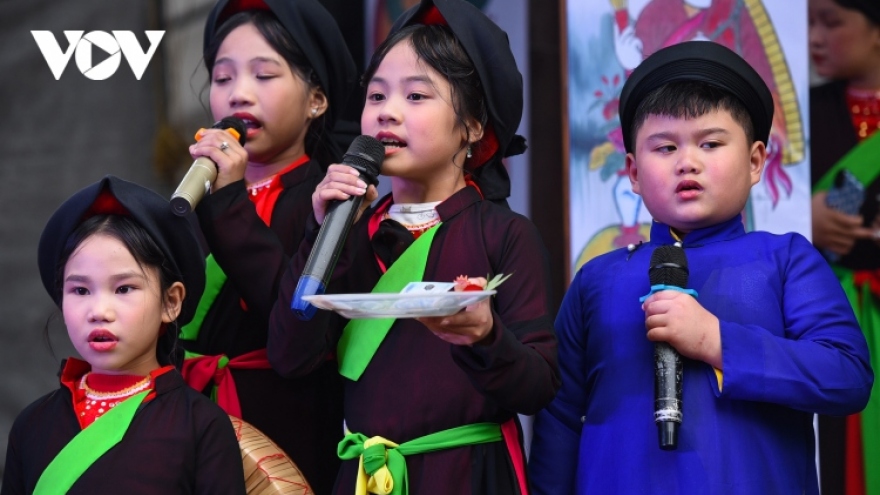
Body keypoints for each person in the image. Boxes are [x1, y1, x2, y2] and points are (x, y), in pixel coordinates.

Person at [529, 41, 874, 494]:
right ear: (632, 172)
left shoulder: (786, 259)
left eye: (710, 143)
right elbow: (559, 423)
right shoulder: (597, 279)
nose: (687, 162)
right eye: (665, 147)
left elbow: (846, 376)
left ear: (755, 162)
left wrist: (717, 342)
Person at [267, 0, 559, 493]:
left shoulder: (505, 235)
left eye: (417, 96)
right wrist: (322, 234)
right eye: (377, 96)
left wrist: (485, 337)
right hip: (365, 474)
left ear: (472, 127)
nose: (388, 112)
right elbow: (289, 357)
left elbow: (538, 387)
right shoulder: (347, 230)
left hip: (468, 475)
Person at [179, 1, 359, 492]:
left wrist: (231, 202)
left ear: (316, 99)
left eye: (264, 75)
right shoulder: (195, 195)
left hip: (287, 435)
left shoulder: (329, 200)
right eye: (222, 78)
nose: (239, 94)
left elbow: (292, 331)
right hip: (192, 421)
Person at [1, 176, 245, 494]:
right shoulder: (32, 425)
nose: (99, 310)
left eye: (124, 288)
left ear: (171, 302)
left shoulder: (202, 426)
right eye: (80, 290)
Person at [808, 1, 880, 493]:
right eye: (809, 21)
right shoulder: (801, 117)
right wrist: (802, 216)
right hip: (831, 314)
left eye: (831, 23)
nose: (814, 36)